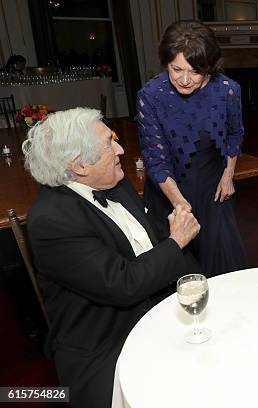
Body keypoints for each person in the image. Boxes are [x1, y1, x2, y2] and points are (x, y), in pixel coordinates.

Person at [23, 108, 201, 408]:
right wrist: (178, 240)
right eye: (110, 143)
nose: (121, 149)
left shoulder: (115, 183)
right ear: (79, 165)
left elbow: (153, 241)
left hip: (157, 307)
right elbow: (123, 284)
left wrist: (197, 287)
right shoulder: (52, 220)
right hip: (106, 339)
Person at [136, 20, 248, 277]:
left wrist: (229, 174)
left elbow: (234, 133)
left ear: (209, 67)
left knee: (224, 273)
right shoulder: (150, 96)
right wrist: (180, 205)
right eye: (176, 69)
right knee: (178, 277)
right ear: (166, 62)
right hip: (169, 193)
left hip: (213, 189)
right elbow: (155, 159)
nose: (184, 80)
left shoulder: (228, 91)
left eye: (195, 72)